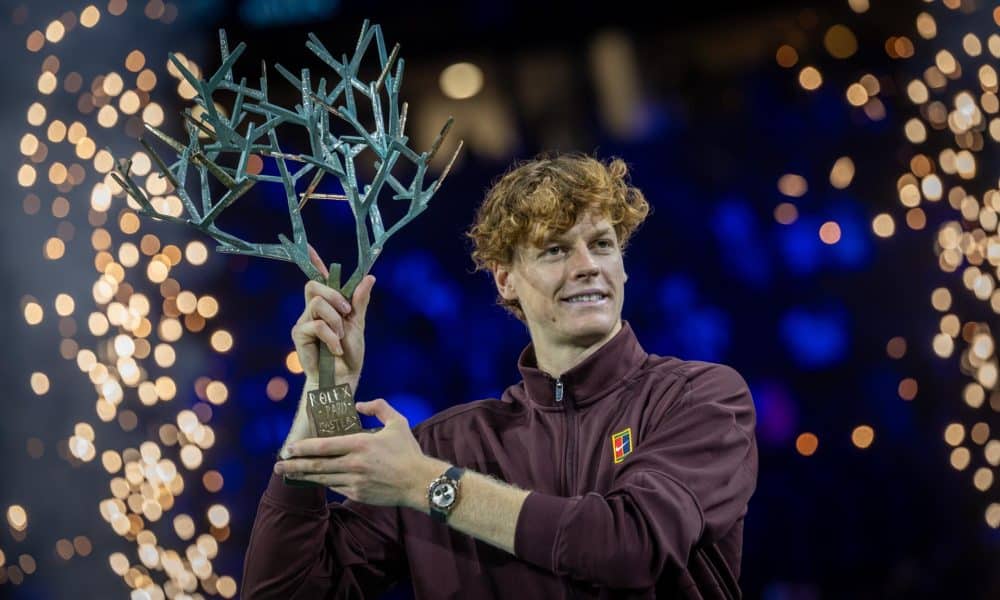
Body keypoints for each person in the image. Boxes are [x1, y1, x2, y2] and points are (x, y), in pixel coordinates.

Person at [241, 153, 758, 599]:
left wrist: (425, 484)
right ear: (506, 280)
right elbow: (289, 591)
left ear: (623, 265)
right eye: (555, 249)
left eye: (602, 244)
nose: (587, 266)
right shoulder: (447, 444)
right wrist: (326, 392)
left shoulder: (700, 399)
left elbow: (628, 545)